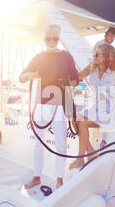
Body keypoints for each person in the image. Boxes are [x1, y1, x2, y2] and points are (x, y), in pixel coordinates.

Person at [19, 24, 79, 189]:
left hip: (59, 105)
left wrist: (67, 83)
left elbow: (75, 79)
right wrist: (31, 75)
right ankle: (37, 176)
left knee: (61, 143)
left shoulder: (66, 56)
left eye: (55, 38)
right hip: (40, 105)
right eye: (48, 38)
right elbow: (21, 77)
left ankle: (59, 179)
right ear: (43, 39)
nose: (51, 41)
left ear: (58, 39)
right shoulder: (38, 57)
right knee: (38, 142)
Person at [69, 43, 115, 170]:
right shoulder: (92, 67)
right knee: (75, 119)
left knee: (82, 122)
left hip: (108, 111)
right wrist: (62, 80)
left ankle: (81, 158)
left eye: (97, 54)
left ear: (106, 57)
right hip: (95, 108)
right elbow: (78, 77)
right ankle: (91, 153)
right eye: (94, 53)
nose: (94, 56)